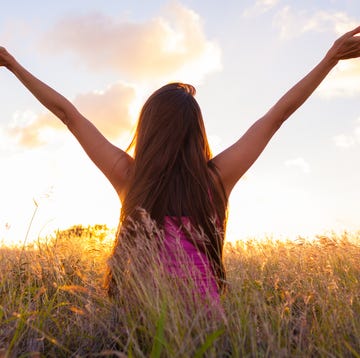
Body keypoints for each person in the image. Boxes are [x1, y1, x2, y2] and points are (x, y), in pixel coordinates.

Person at [1, 26, 360, 304]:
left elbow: (69, 115)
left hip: (140, 324)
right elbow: (277, 116)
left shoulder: (129, 177)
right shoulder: (217, 180)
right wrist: (329, 59)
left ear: (148, 130)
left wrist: (13, 64)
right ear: (196, 132)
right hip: (208, 331)